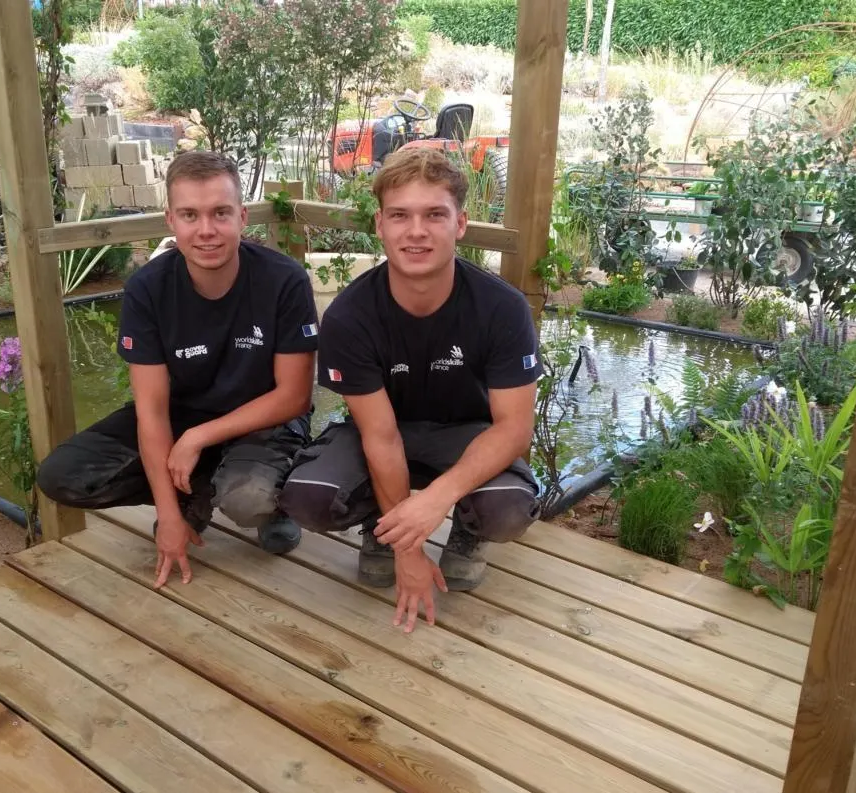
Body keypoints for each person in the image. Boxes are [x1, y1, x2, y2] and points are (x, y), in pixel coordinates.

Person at [279, 147, 541, 633]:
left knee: (507, 510)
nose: (416, 231)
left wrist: (438, 498)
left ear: (460, 224)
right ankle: (383, 528)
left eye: (434, 215)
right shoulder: (349, 316)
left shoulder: (502, 308)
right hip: (381, 432)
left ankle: (468, 530)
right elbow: (380, 437)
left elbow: (514, 428)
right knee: (308, 497)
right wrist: (409, 549)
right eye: (400, 215)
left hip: (466, 432)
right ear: (380, 225)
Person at [36, 151, 320, 588]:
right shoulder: (147, 289)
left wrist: (197, 438)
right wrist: (167, 515)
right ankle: (193, 496)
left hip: (265, 418)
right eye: (190, 215)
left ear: (242, 217)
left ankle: (274, 504)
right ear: (171, 220)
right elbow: (151, 410)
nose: (206, 230)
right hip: (183, 412)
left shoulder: (284, 280)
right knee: (63, 477)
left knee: (248, 499)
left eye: (220, 213)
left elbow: (294, 397)